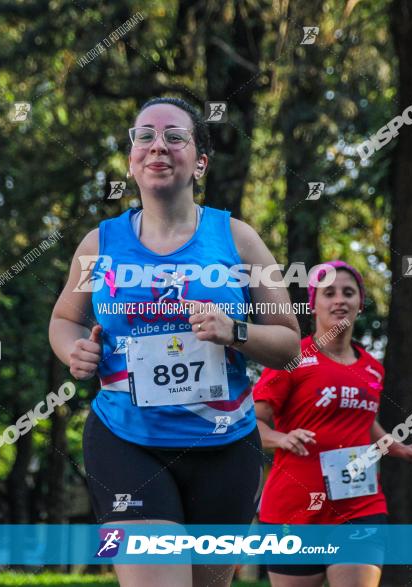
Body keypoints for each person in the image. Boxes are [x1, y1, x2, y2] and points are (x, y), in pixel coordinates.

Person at [49, 96, 301, 587]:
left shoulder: (239, 238)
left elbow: (290, 344)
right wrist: (73, 350)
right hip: (127, 440)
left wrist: (236, 331)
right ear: (131, 160)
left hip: (225, 447)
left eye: (174, 136)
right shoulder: (98, 243)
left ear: (199, 162)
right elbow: (64, 320)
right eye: (144, 136)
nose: (157, 146)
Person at [254, 260, 412, 587]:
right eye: (329, 293)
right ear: (313, 304)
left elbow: (365, 425)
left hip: (359, 506)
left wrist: (402, 450)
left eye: (349, 293)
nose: (340, 300)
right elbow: (255, 425)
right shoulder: (291, 357)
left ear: (359, 304)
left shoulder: (372, 369)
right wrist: (282, 439)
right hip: (294, 511)